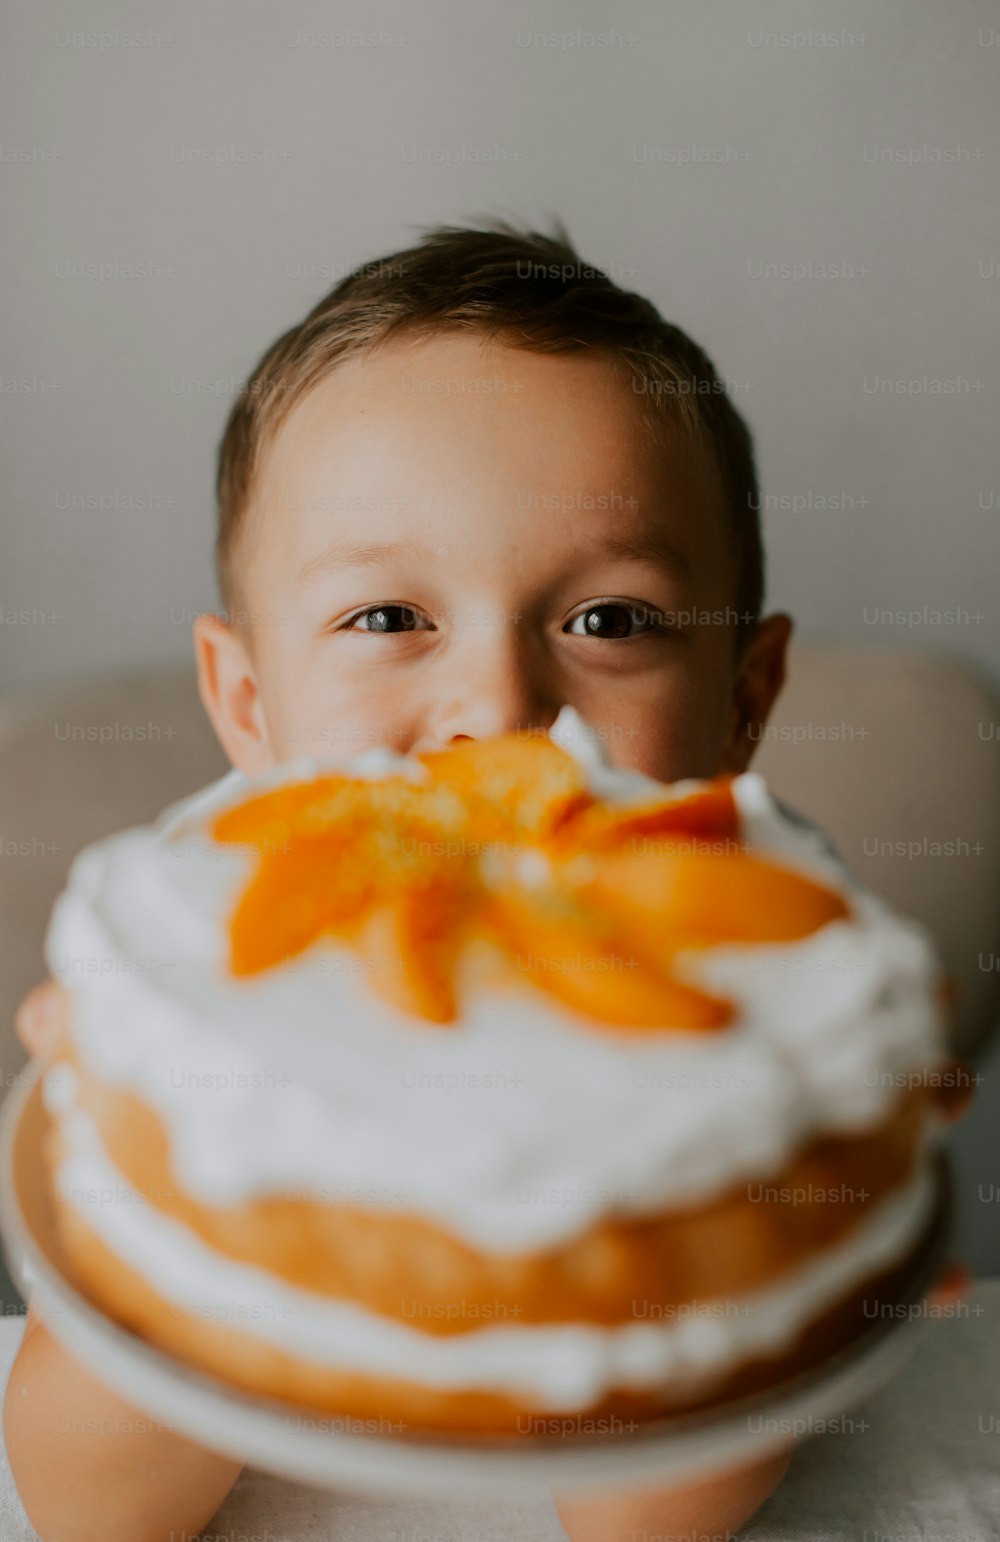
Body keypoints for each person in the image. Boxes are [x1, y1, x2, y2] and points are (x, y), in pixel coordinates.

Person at [4, 219, 970, 1542]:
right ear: (245, 696)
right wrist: (143, 1126)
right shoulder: (193, 943)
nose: (501, 711)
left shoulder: (749, 944)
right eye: (389, 618)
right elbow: (80, 1509)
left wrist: (818, 1179)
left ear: (746, 698)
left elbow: (661, 1510)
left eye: (609, 620)